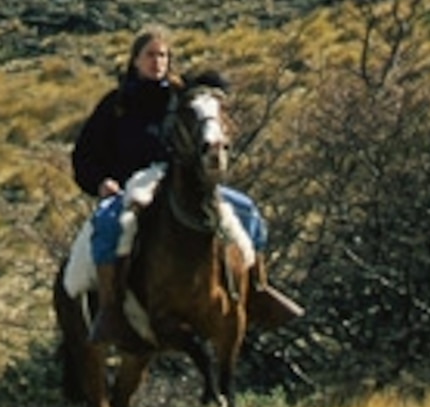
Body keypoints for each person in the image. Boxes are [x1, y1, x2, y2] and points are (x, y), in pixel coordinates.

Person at [69, 27, 299, 341]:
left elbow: (211, 98)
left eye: (162, 55)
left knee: (247, 211)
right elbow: (84, 155)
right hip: (131, 184)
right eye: (149, 55)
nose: (157, 61)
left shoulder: (180, 99)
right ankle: (111, 308)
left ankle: (257, 290)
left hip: (180, 181)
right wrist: (100, 183)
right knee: (109, 225)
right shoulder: (116, 103)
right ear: (134, 60)